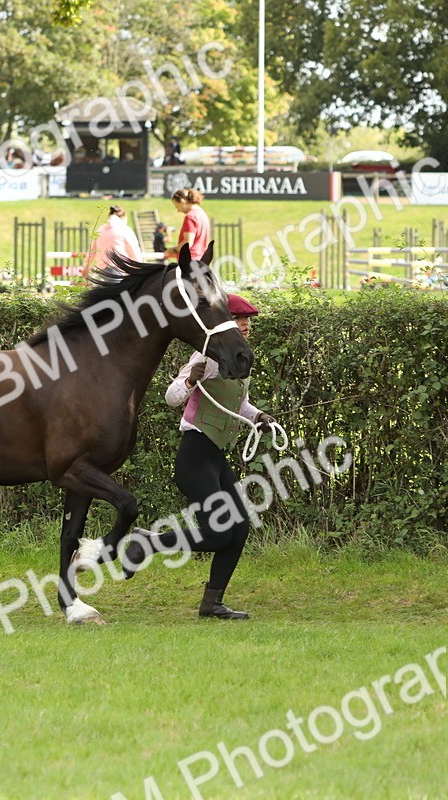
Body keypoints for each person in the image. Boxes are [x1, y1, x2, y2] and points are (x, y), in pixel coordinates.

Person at [117, 294, 278, 619]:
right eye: (238, 319)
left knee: (240, 529)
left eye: (247, 320)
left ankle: (212, 604)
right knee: (219, 533)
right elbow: (172, 397)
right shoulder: (203, 357)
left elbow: (237, 404)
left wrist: (259, 416)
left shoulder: (238, 358)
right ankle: (148, 543)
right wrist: (192, 378)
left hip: (216, 456)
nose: (246, 324)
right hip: (195, 455)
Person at [82, 205, 143, 279]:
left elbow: (91, 252)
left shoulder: (100, 230)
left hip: (102, 270)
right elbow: (134, 250)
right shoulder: (125, 229)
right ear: (123, 217)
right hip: (120, 269)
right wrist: (140, 268)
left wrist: (86, 268)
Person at [165, 188, 210, 262]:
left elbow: (188, 243)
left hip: (190, 261)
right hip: (202, 260)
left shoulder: (190, 216)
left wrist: (173, 250)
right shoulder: (202, 213)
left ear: (182, 201)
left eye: (177, 206)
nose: (178, 210)